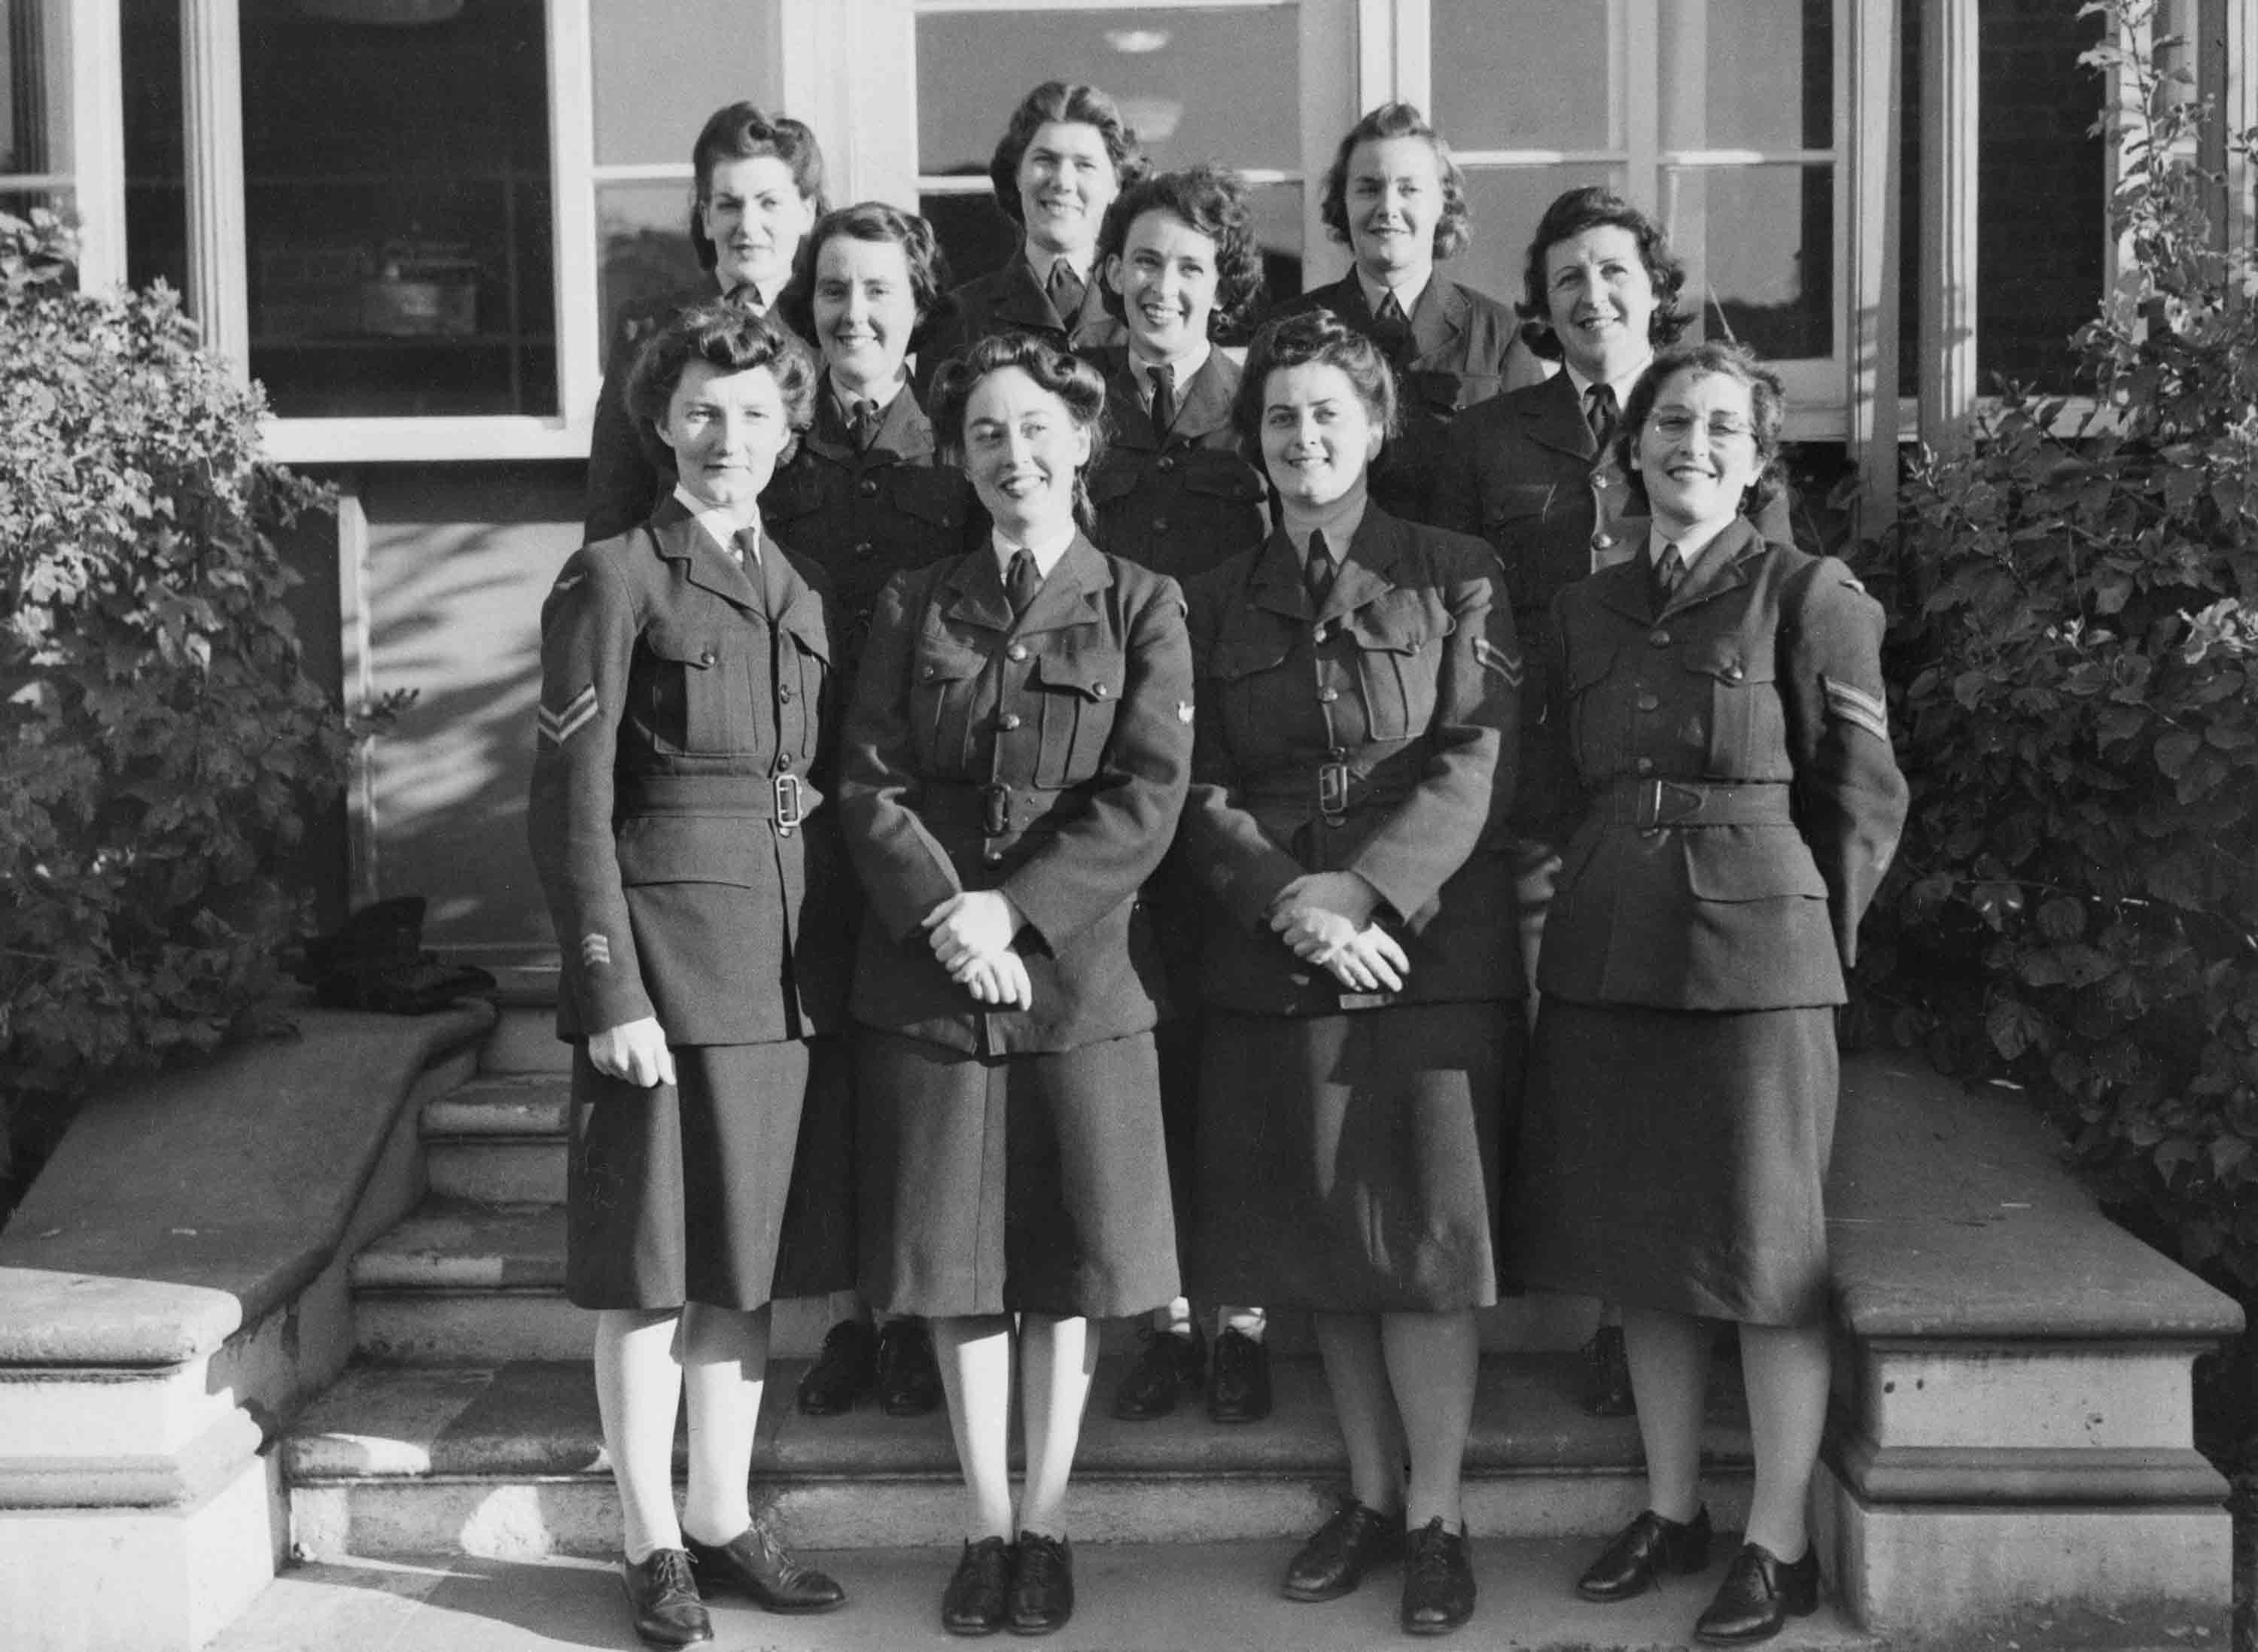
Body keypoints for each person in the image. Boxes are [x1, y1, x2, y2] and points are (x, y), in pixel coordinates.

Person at [1511, 341, 1906, 1645]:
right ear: (1631, 449)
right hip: (1611, 950)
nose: (1691, 443)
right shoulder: (1584, 609)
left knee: (1764, 1256)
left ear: (1756, 455)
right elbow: (1557, 791)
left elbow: (1862, 794)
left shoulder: (1809, 592)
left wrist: (1807, 946)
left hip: (1759, 968)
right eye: (1668, 423)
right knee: (1646, 1254)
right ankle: (1672, 1508)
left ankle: (1776, 1540)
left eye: (1720, 428)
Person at [837, 332, 1194, 1638]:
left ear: (1084, 440)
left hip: (1081, 977)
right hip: (933, 981)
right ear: (957, 453)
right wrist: (947, 912)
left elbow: (1149, 793)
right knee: (958, 1264)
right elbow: (868, 781)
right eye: (986, 433)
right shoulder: (912, 599)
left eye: (1037, 429)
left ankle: (1047, 1523)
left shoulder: (1143, 600)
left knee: (1062, 1263)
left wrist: (1014, 910)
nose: (1013, 455)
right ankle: (982, 1526)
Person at [1181, 309, 1523, 1637]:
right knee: (1326, 1241)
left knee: (1422, 1250)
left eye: (1329, 413)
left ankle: (1438, 1516)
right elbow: (1196, 784)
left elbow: (1478, 754)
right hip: (1279, 954)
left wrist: (1367, 891)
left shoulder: (1455, 572)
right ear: (1253, 441)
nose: (1305, 437)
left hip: (1422, 953)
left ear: (1377, 429)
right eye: (1280, 417)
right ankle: (1370, 1497)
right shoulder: (1211, 598)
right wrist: (1287, 900)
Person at [1432, 184, 1797, 1419]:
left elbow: (1772, 602)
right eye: (1569, 279)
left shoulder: (1718, 423)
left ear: (1655, 284)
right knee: (1583, 1058)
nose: (1594, 297)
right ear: (1540, 303)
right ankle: (1598, 1295)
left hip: (1698, 814)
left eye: (1615, 272)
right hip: (1547, 784)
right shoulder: (1492, 438)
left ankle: (1650, 1308)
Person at [528, 301, 851, 1647]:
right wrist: (608, 991)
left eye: (759, 414)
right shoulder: (616, 578)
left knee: (741, 1269)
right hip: (662, 964)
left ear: (791, 432)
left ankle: (721, 1512)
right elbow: (570, 801)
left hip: (774, 976)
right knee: (652, 1273)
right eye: (705, 411)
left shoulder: (799, 590)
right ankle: (649, 1537)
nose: (731, 438)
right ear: (662, 421)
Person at [762, 202, 987, 1421]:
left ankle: (915, 1315)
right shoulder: (779, 451)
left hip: (913, 805)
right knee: (827, 1051)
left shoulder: (952, 458)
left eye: (879, 294)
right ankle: (852, 1315)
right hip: (796, 804)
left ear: (918, 307)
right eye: (836, 293)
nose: (855, 316)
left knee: (911, 1055)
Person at [1082, 161, 1274, 1427]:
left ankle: (1243, 1313)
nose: (1164, 287)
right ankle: (1153, 1315)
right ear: (1110, 273)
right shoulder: (1075, 398)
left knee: (1238, 1040)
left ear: (1225, 284)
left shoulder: (1260, 398)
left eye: (1190, 267)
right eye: (1144, 262)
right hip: (1106, 751)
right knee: (1135, 1044)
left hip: (1239, 751)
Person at [1270, 102, 1535, 526]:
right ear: (1343, 203)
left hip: (1449, 580)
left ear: (1442, 205)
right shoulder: (1290, 330)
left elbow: (1525, 487)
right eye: (1368, 188)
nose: (1387, 207)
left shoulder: (1497, 335)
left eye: (1409, 189)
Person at [586, 102, 826, 543]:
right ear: (705, 215)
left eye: (769, 203)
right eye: (729, 205)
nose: (748, 226)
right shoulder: (647, 328)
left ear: (807, 211)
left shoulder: (829, 327)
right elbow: (615, 500)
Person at [915, 81, 1146, 382]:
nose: (1063, 181)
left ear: (1116, 184)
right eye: (1045, 160)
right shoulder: (958, 317)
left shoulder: (1144, 310)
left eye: (1084, 165)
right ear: (1017, 175)